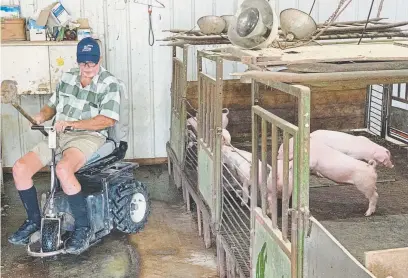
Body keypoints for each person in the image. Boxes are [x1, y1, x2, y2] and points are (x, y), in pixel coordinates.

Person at [8, 37, 121, 255]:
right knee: (20, 169)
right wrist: (41, 116)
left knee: (63, 169)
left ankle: (83, 227)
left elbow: (107, 120)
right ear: (78, 61)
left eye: (92, 63)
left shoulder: (109, 83)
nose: (87, 68)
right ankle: (33, 221)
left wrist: (72, 124)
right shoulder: (68, 77)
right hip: (58, 133)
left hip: (88, 135)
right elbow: (52, 107)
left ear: (100, 60)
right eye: (83, 63)